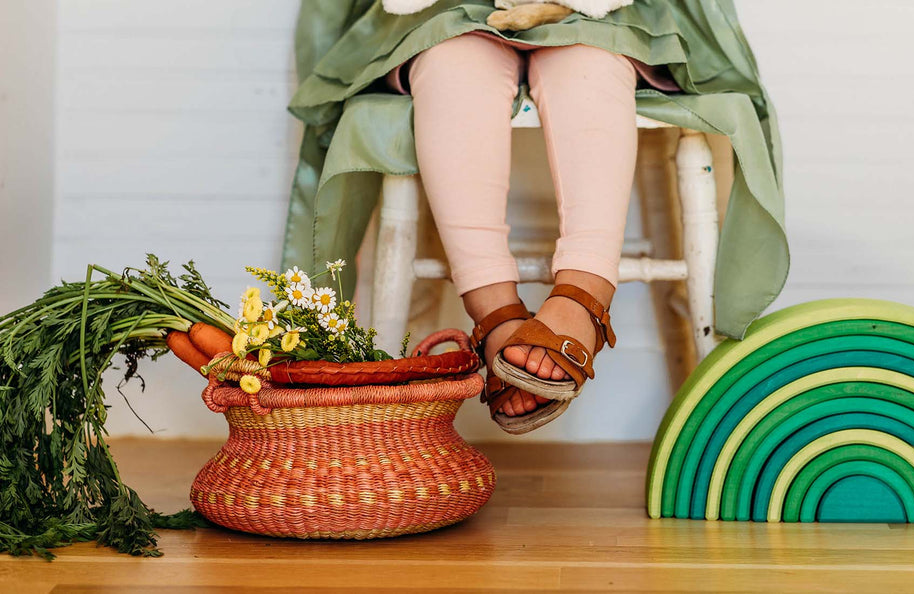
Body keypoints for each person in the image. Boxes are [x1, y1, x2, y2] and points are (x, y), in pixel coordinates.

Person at [282, 0, 789, 434]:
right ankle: (493, 308)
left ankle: (584, 294)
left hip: (598, 16)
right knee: (452, 68)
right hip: (449, 13)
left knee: (589, 65)